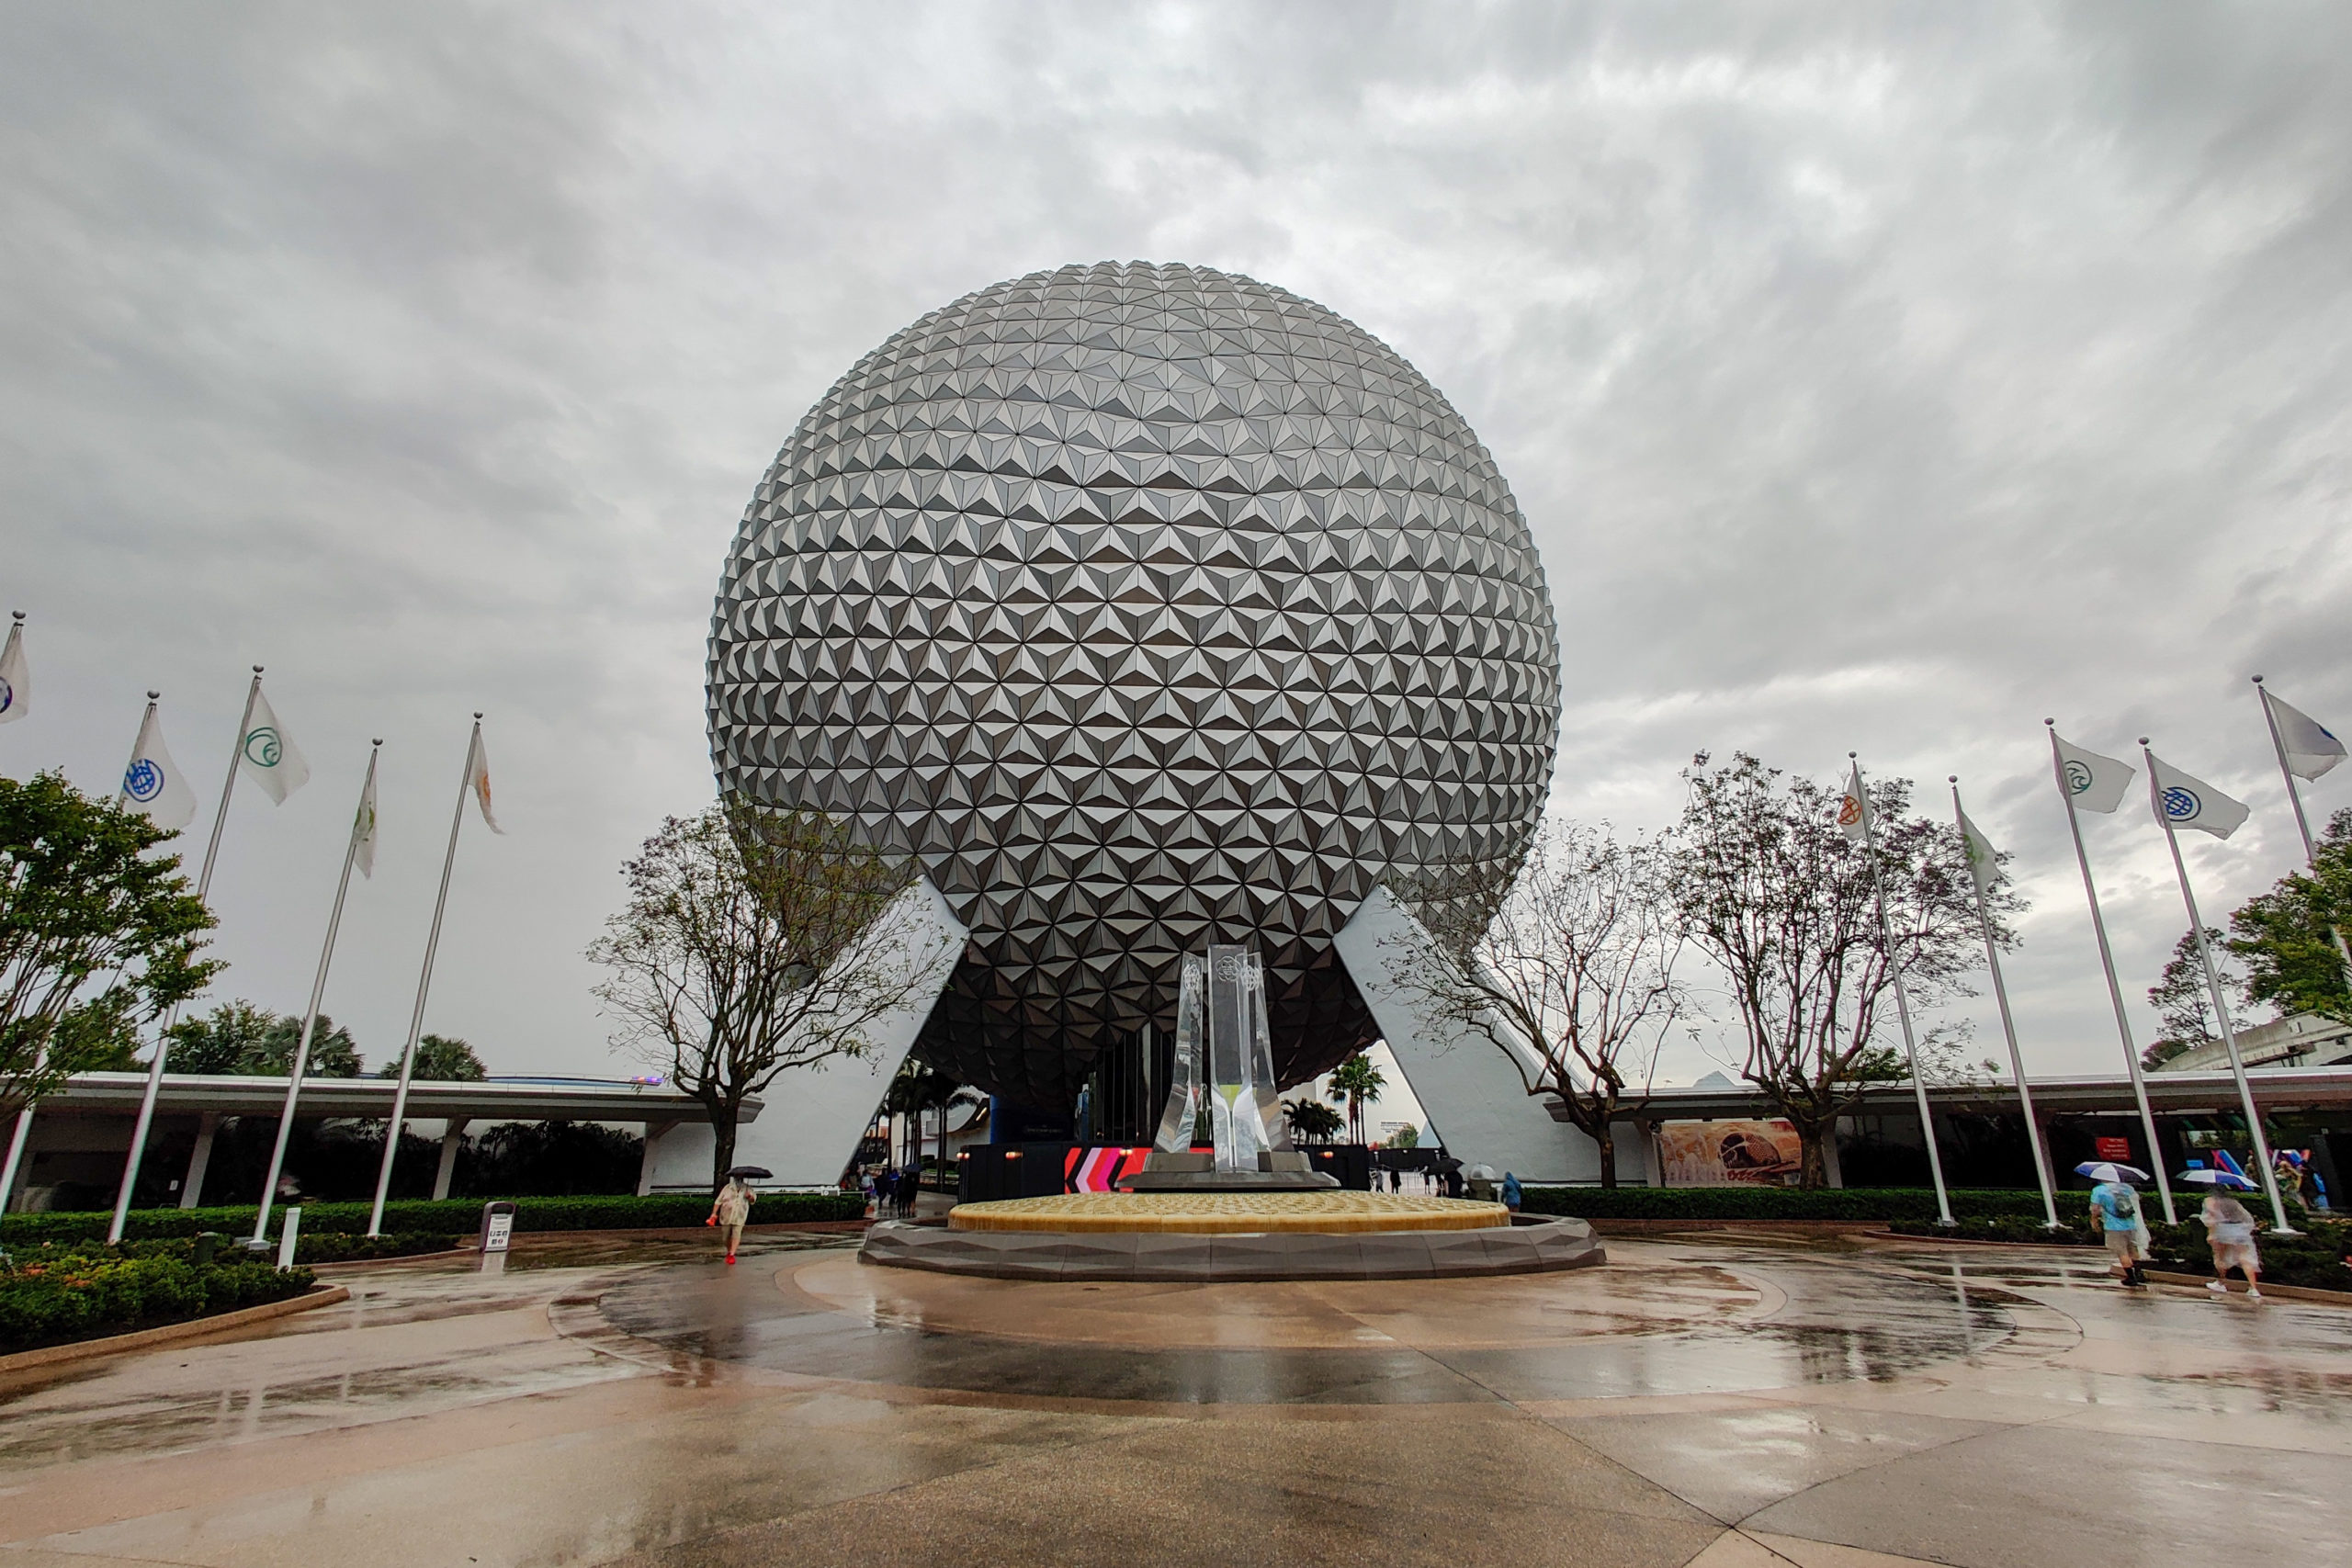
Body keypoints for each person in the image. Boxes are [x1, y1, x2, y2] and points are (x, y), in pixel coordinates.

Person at [2199, 1190, 2263, 1301]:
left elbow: (2211, 1218)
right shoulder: (2234, 1203)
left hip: (2222, 1231)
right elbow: (2247, 1219)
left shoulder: (2210, 1201)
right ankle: (2253, 1288)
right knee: (2245, 1258)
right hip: (2240, 1230)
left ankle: (2221, 1282)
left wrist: (2211, 1234)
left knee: (2220, 1257)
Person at [2089, 1175, 2147, 1287]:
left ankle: (2131, 1277)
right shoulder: (2126, 1187)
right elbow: (2137, 1200)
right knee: (2133, 1250)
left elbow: (2095, 1209)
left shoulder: (2099, 1190)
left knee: (2122, 1252)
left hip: (2113, 1226)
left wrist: (2094, 1221)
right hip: (2131, 1224)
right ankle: (2139, 1273)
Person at [709, 1175, 755, 1264]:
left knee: (736, 1234)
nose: (738, 1180)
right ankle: (730, 1250)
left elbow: (753, 1200)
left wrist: (749, 1196)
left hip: (740, 1216)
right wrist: (714, 1213)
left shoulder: (748, 1188)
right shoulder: (727, 1188)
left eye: (740, 1179)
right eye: (737, 1178)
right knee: (725, 1237)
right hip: (726, 1216)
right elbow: (718, 1201)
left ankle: (732, 1254)